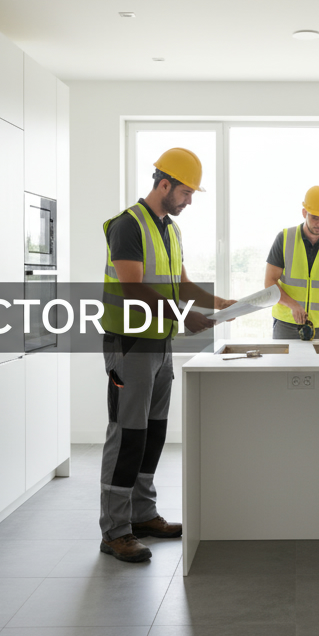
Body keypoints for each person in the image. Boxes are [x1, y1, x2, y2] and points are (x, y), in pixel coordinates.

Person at [98, 147, 234, 563]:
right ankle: (115, 531)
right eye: (186, 192)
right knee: (127, 436)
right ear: (164, 184)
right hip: (131, 344)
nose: (189, 200)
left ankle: (143, 515)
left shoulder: (170, 230)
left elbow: (182, 283)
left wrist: (221, 303)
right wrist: (184, 315)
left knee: (153, 433)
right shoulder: (128, 225)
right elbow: (133, 287)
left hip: (161, 344)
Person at [265, 185, 319, 341]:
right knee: (284, 366)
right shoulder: (285, 238)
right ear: (304, 213)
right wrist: (293, 305)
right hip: (286, 324)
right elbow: (269, 282)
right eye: (315, 217)